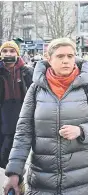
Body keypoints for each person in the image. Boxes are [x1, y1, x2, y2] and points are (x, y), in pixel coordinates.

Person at [3, 38, 88, 195]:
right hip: (42, 181)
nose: (66, 61)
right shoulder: (36, 89)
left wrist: (82, 131)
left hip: (84, 181)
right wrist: (14, 173)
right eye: (60, 56)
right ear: (49, 58)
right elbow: (23, 132)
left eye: (70, 56)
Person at [0, 41, 33, 194]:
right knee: (4, 154)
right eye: (5, 51)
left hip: (23, 116)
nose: (8, 54)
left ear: (17, 53)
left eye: (12, 51)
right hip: (4, 117)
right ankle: (15, 182)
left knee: (18, 152)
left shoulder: (27, 71)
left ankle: (17, 182)